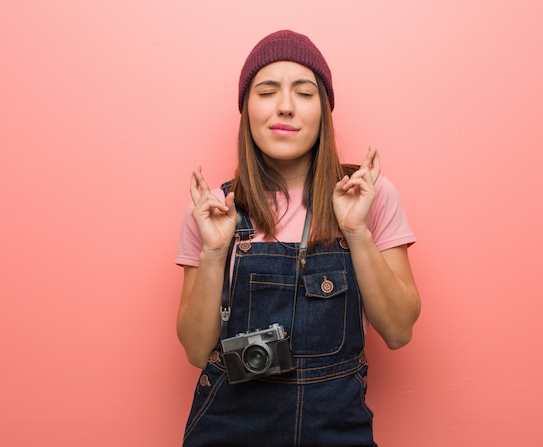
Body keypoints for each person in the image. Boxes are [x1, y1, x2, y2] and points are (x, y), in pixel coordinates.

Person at [176, 30, 421, 447]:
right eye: (267, 91)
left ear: (324, 111)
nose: (285, 107)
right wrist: (216, 251)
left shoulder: (368, 195)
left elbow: (398, 332)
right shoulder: (213, 209)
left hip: (337, 430)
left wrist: (356, 231)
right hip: (228, 429)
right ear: (246, 109)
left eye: (304, 93)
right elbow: (197, 351)